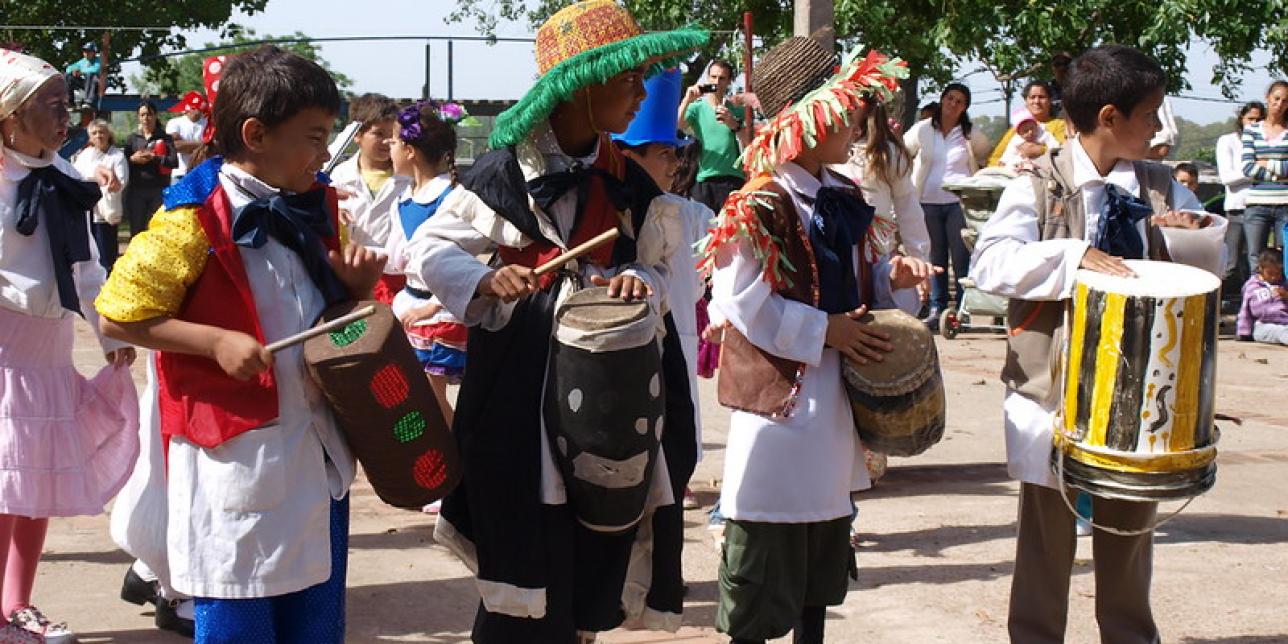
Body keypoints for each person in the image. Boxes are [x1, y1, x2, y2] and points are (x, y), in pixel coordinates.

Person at [408, 2, 705, 641]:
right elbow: (430, 250)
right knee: (525, 567)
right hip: (524, 396)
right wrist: (486, 280)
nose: (641, 91)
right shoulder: (502, 171)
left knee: (592, 552)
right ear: (581, 87)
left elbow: (661, 274)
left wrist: (638, 285)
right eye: (627, 79)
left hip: (609, 400)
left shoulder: (627, 182)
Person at [95, 45, 385, 643]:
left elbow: (319, 314)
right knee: (239, 619)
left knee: (315, 619)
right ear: (256, 135)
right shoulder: (190, 218)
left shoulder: (319, 205)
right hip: (235, 460)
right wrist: (213, 341)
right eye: (313, 136)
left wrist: (353, 289)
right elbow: (116, 318)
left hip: (317, 454)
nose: (324, 152)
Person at [969, 45, 1227, 644]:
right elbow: (991, 262)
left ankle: (1130, 634)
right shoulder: (1036, 183)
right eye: (1150, 113)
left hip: (1143, 397)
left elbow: (1212, 259)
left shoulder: (1161, 184)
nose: (1158, 128)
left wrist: (1196, 234)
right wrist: (1072, 256)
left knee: (1131, 534)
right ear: (1109, 117)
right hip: (1053, 392)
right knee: (1045, 533)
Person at [701, 38, 931, 644]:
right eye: (846, 108)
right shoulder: (757, 204)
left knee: (823, 555)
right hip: (777, 411)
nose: (858, 122)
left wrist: (892, 279)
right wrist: (823, 329)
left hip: (834, 408)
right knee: (762, 554)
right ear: (805, 121)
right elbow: (740, 301)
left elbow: (863, 286)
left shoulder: (847, 195)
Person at [0, 47, 139, 644]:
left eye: (66, 104)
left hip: (46, 351)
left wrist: (108, 332)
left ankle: (17, 605)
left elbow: (85, 269)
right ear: (9, 118)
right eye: (50, 106)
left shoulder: (68, 180)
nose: (66, 115)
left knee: (34, 485)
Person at [613, 67, 712, 514]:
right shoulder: (612, 212)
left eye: (676, 154)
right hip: (630, 350)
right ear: (630, 156)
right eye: (664, 154)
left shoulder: (688, 212)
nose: (674, 166)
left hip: (681, 341)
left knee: (677, 435)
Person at [381, 99, 469, 423]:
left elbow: (462, 263)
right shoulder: (404, 199)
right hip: (412, 308)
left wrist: (430, 307)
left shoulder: (452, 198)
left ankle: (456, 456)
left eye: (392, 141)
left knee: (431, 396)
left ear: (409, 150)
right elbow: (393, 259)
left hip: (437, 311)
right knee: (420, 393)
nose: (388, 149)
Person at [904, 83, 991, 329]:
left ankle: (964, 310)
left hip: (958, 204)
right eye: (950, 98)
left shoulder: (971, 134)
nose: (954, 104)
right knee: (935, 257)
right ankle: (936, 307)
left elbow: (987, 155)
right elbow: (902, 151)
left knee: (961, 257)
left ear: (965, 108)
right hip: (927, 202)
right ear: (942, 100)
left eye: (960, 101)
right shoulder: (922, 130)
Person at [329, 92, 409, 304]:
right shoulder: (337, 177)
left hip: (396, 279)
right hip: (350, 275)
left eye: (392, 134)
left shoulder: (408, 178)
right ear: (357, 135)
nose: (386, 141)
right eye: (378, 133)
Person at [836, 98, 931, 261]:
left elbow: (907, 206)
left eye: (851, 101)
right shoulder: (826, 149)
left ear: (866, 106)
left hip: (876, 256)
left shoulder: (887, 152)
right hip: (837, 254)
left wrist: (918, 257)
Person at [679, 59, 751, 214]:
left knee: (731, 234)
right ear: (707, 78)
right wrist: (687, 99)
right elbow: (678, 125)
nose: (716, 82)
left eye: (722, 78)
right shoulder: (697, 108)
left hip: (733, 181)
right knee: (704, 232)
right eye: (713, 77)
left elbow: (751, 143)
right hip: (704, 181)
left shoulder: (737, 111)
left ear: (729, 82)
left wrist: (734, 124)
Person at [1216, 101, 1266, 297]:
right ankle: (1220, 303)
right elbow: (1227, 178)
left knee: (1258, 263)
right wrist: (1257, 168)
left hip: (1263, 207)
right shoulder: (1228, 141)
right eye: (1251, 119)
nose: (1254, 123)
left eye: (1259, 119)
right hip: (1238, 208)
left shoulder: (1266, 143)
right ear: (1241, 120)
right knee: (1231, 263)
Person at [1241, 80, 1288, 270]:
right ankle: (1255, 297)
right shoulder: (1251, 130)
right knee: (1255, 256)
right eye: (1276, 99)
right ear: (1267, 98)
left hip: (1285, 204)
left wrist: (1266, 163)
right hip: (1256, 204)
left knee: (1284, 256)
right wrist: (1281, 174)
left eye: (1285, 101)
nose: (1279, 104)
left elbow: (1256, 167)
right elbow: (1247, 168)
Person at [70, 118, 127, 271]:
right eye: (94, 133)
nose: (98, 136)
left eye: (101, 132)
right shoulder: (85, 155)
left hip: (106, 211)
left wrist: (100, 184)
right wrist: (95, 177)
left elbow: (120, 181)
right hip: (87, 210)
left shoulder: (117, 156)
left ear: (108, 134)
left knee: (106, 251)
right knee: (89, 249)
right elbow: (76, 175)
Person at [121, 101, 177, 237]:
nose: (146, 118)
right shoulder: (132, 139)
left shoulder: (165, 138)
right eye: (143, 115)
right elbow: (122, 163)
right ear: (138, 117)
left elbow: (173, 162)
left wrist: (154, 157)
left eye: (149, 114)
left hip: (158, 190)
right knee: (136, 230)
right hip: (136, 191)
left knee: (157, 230)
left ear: (156, 116)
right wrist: (132, 160)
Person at [986, 80, 1069, 167]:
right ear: (1026, 101)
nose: (1036, 101)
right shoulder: (1016, 130)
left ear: (1050, 100)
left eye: (1041, 97)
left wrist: (1041, 150)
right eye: (1032, 97)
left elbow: (1064, 153)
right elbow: (994, 159)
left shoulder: (1059, 125)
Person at [1237, 247, 1288, 344]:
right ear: (1261, 268)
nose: (1274, 277)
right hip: (1262, 325)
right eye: (1270, 273)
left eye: (1277, 274)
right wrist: (1243, 332)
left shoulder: (1284, 285)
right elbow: (1244, 310)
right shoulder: (1252, 287)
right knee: (1280, 332)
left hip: (1285, 322)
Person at [165, 91, 209, 182]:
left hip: (202, 175)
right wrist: (204, 143)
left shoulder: (209, 124)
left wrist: (185, 144)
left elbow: (213, 147)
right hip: (180, 174)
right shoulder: (174, 123)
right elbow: (175, 146)